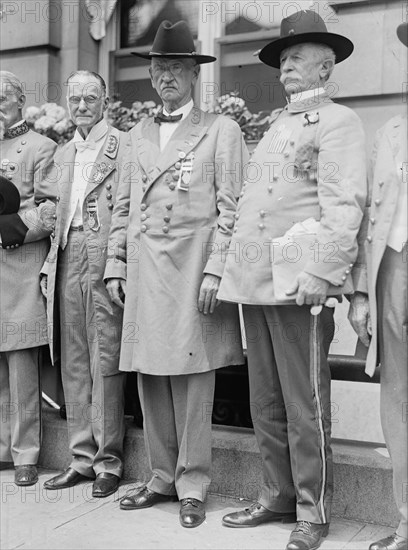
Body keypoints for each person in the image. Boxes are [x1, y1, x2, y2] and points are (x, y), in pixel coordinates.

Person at [218, 10, 367, 550]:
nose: (285, 69)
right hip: (254, 281)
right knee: (266, 399)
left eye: (296, 59)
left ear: (326, 68)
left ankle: (313, 508)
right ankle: (277, 493)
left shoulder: (340, 123)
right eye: (283, 60)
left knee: (307, 403)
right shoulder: (279, 123)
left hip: (298, 285)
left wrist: (322, 273)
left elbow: (344, 208)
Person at [104, 20, 247, 528]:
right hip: (144, 272)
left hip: (191, 270)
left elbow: (233, 208)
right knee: (149, 376)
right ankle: (161, 477)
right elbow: (122, 209)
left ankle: (193, 484)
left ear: (193, 75)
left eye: (176, 68)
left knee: (192, 379)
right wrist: (115, 265)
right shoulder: (136, 134)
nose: (165, 77)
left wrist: (216, 270)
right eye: (158, 68)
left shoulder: (220, 130)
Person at [41, 71, 128, 498]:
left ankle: (108, 461)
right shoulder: (61, 153)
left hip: (102, 252)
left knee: (104, 355)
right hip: (66, 254)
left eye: (90, 98)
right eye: (74, 99)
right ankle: (80, 457)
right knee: (72, 356)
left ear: (105, 99)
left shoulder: (123, 146)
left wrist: (118, 260)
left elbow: (128, 208)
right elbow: (49, 208)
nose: (81, 106)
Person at [348, 22, 407, 550]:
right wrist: (362, 293)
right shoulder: (390, 131)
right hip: (393, 271)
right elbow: (369, 218)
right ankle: (407, 523)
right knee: (399, 400)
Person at [0, 71, 57, 486]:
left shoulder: (42, 146)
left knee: (21, 369)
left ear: (21, 101)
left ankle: (25, 455)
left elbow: (51, 208)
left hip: (19, 266)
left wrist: (11, 229)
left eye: (4, 97)